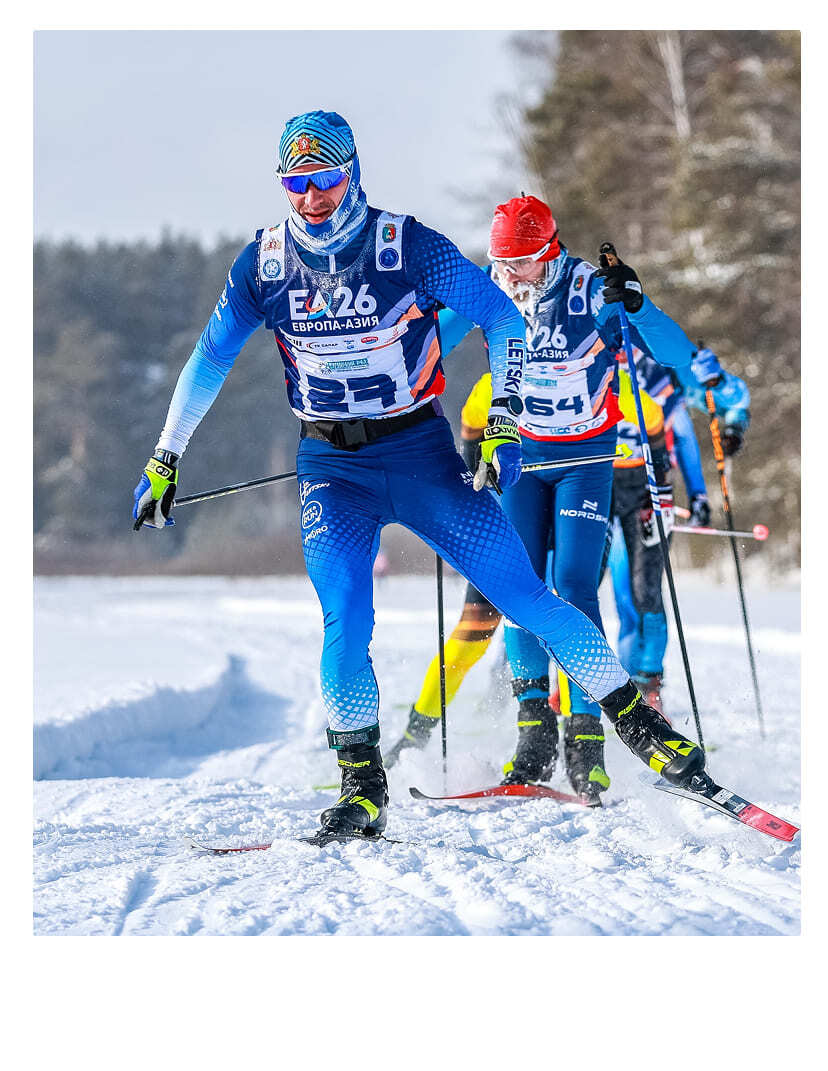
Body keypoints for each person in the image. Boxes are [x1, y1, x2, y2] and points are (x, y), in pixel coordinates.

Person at [133, 113, 706, 837]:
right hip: (331, 468)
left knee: (528, 596)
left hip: (420, 454)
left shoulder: (406, 244)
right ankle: (362, 784)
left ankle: (641, 729)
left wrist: (503, 418)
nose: (310, 197)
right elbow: (208, 359)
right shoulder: (265, 264)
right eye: (295, 183)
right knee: (345, 615)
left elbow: (501, 318)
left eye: (324, 179)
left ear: (352, 173)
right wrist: (165, 456)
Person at [384, 194, 704, 805]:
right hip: (521, 458)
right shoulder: (491, 286)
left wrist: (638, 304)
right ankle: (534, 734)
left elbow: (677, 355)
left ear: (549, 250)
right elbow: (425, 347)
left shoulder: (589, 289)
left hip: (585, 460)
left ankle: (586, 740)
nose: (511, 275)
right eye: (501, 262)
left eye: (523, 262)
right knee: (516, 587)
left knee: (576, 587)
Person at [605, 344, 751, 712]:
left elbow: (685, 434)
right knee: (617, 595)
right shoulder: (590, 353)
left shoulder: (661, 366)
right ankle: (614, 687)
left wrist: (699, 494)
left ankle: (649, 683)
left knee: (644, 589)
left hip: (650, 490)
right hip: (600, 485)